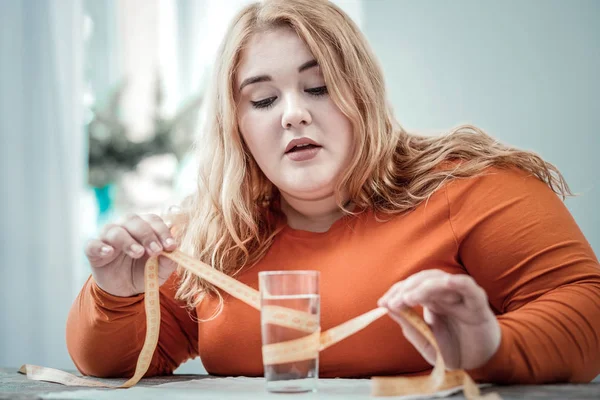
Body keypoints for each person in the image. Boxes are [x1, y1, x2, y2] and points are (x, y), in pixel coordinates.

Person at [67, 0, 600, 384]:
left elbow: (587, 309)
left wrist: (493, 347)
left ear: (361, 94)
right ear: (237, 126)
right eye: (262, 99)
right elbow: (113, 363)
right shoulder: (209, 238)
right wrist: (117, 296)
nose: (293, 112)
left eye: (318, 87)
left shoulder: (471, 189)